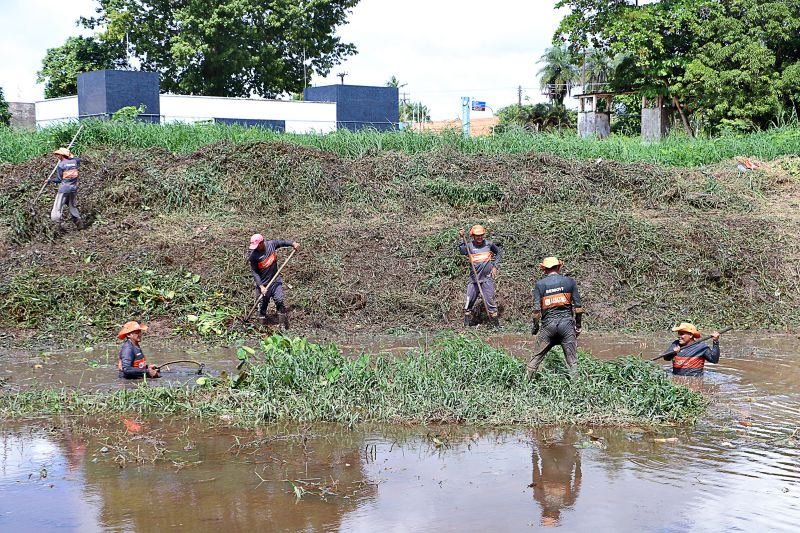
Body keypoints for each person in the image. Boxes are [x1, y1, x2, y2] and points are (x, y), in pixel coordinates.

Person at [526, 257, 583, 378]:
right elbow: (578, 308)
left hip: (548, 327)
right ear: (559, 267)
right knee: (572, 361)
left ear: (545, 270)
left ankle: (524, 385)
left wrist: (535, 327)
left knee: (535, 359)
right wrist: (578, 326)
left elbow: (536, 311)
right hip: (567, 326)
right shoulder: (570, 282)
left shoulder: (540, 285)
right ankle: (578, 389)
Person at [248, 233, 300, 330]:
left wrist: (293, 243)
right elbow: (255, 273)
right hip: (263, 284)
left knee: (279, 300)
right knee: (262, 305)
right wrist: (261, 286)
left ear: (262, 242)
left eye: (257, 245)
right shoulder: (254, 256)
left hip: (275, 281)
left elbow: (282, 242)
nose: (255, 248)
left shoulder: (271, 245)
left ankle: (283, 325)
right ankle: (261, 327)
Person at [458, 225, 502, 328]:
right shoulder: (469, 246)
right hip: (474, 280)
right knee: (469, 302)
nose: (479, 237)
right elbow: (462, 251)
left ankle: (496, 326)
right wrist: (461, 238)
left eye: (481, 235)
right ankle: (466, 326)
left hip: (487, 279)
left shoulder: (489, 244)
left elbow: (498, 252)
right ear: (473, 236)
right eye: (477, 236)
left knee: (490, 302)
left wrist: (495, 266)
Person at [49, 147, 85, 229]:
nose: (57, 156)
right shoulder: (74, 162)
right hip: (73, 188)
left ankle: (55, 225)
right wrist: (70, 156)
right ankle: (79, 223)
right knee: (72, 206)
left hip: (64, 189)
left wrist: (49, 180)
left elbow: (58, 180)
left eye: (58, 155)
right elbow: (78, 159)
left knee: (57, 207)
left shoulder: (61, 165)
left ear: (61, 155)